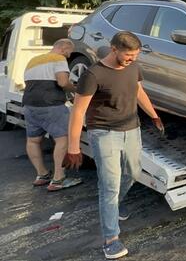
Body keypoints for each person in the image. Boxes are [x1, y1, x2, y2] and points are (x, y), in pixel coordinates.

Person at [64, 31, 164, 260]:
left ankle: (114, 206)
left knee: (133, 173)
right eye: (128, 55)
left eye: (136, 55)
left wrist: (154, 115)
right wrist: (73, 147)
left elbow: (139, 91)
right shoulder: (93, 75)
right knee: (109, 186)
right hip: (104, 133)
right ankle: (111, 239)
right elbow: (78, 112)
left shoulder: (133, 68)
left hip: (132, 128)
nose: (132, 59)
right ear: (113, 49)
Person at [22, 38, 82, 191]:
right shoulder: (58, 58)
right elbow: (62, 82)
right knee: (63, 139)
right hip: (50, 105)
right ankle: (58, 179)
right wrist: (75, 89)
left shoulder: (33, 60)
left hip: (29, 104)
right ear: (63, 48)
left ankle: (41, 175)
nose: (69, 56)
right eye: (69, 52)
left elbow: (35, 82)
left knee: (33, 140)